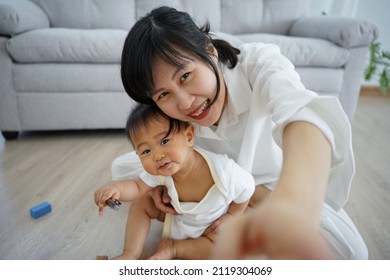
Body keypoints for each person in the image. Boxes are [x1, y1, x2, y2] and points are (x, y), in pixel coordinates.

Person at [114, 6, 368, 259]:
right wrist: (162, 183)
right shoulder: (166, 113)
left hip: (272, 184)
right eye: (163, 94)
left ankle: (250, 199)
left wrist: (293, 205)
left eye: (185, 76)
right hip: (208, 179)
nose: (184, 103)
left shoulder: (259, 63)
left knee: (350, 254)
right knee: (124, 169)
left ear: (209, 50)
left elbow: (303, 115)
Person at [94, 103, 255, 259]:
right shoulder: (163, 170)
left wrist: (232, 216)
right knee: (141, 203)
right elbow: (136, 186)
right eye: (146, 151)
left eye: (164, 141)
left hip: (209, 228)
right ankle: (130, 253)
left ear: (189, 137)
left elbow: (248, 188)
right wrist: (114, 189)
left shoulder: (224, 170)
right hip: (177, 218)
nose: (157, 156)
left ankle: (174, 248)